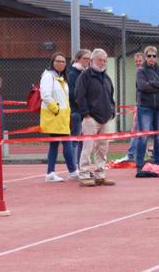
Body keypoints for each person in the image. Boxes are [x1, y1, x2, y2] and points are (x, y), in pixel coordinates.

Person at [75, 49, 117, 187]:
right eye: (100, 60)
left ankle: (100, 175)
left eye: (104, 60)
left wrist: (112, 111)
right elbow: (79, 96)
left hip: (105, 119)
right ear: (92, 60)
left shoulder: (106, 77)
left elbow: (111, 96)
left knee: (103, 148)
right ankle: (84, 175)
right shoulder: (85, 76)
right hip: (90, 119)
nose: (102, 63)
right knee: (88, 148)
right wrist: (86, 114)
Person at [39, 52, 77, 182]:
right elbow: (45, 95)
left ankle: (51, 172)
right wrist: (56, 110)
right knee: (67, 143)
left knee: (55, 145)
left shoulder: (62, 78)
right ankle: (72, 171)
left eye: (63, 62)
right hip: (55, 117)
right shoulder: (48, 76)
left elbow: (63, 98)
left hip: (63, 117)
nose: (60, 64)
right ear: (52, 62)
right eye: (58, 61)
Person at [134, 46, 159, 178]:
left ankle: (158, 163)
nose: (152, 58)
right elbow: (143, 86)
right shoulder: (140, 71)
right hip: (145, 107)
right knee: (143, 136)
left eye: (154, 56)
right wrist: (158, 84)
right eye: (149, 56)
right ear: (145, 57)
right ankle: (139, 164)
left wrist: (152, 84)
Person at [67, 49, 90, 168]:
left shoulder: (88, 73)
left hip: (86, 111)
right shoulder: (73, 73)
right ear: (78, 59)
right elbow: (72, 94)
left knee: (84, 140)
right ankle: (73, 167)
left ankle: (82, 166)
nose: (87, 61)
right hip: (76, 111)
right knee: (75, 140)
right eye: (85, 59)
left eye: (88, 59)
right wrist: (81, 102)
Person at [120, 52, 145, 164]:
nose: (138, 63)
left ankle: (130, 155)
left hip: (145, 106)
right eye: (136, 61)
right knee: (139, 130)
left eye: (140, 61)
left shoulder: (145, 72)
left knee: (137, 130)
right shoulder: (138, 72)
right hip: (141, 105)